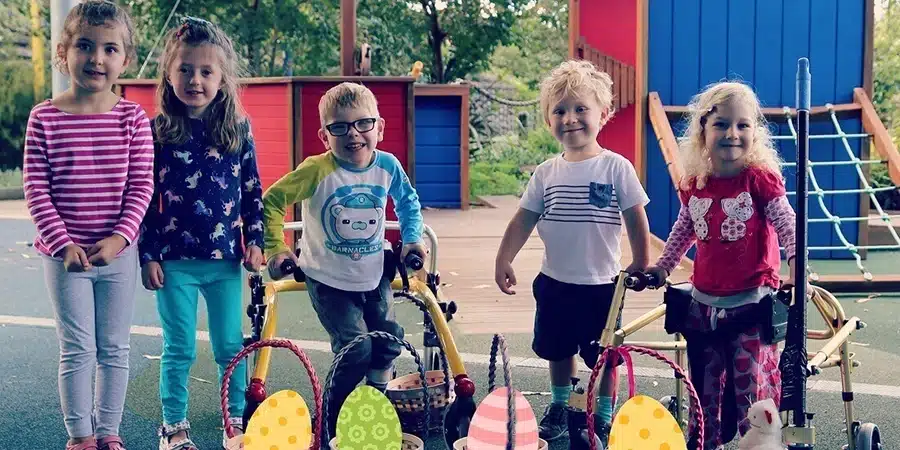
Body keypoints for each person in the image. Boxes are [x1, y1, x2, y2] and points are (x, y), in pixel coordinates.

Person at [494, 60, 651, 444]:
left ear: (603, 114)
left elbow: (636, 218)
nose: (571, 118)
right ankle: (561, 405)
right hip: (555, 283)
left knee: (605, 357)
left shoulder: (616, 168)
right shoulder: (546, 173)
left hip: (602, 287)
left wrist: (641, 262)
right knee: (557, 349)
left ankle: (603, 414)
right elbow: (522, 220)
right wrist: (504, 258)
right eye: (560, 111)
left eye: (581, 108)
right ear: (549, 121)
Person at [262, 82, 427, 439]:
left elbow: (409, 201)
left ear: (379, 128)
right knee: (357, 347)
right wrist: (276, 247)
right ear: (325, 135)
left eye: (363, 123)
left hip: (373, 272)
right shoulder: (316, 170)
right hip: (328, 277)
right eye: (340, 127)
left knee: (387, 341)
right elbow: (272, 200)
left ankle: (374, 404)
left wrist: (412, 237)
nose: (353, 134)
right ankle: (333, 423)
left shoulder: (386, 165)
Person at [22, 2, 153, 449]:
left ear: (125, 59)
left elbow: (141, 186)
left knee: (114, 348)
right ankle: (80, 437)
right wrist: (63, 245)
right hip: (65, 258)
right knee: (78, 348)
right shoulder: (44, 118)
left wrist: (119, 239)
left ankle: (108, 433)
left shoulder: (133, 118)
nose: (97, 58)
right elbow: (36, 189)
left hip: (118, 254)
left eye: (109, 48)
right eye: (85, 45)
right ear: (63, 52)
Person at [645, 81, 798, 449]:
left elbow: (786, 223)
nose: (732, 133)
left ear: (755, 133)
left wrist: (796, 267)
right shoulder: (697, 183)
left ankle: (758, 443)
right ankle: (706, 440)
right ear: (703, 131)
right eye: (721, 124)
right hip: (705, 304)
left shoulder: (759, 180)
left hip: (751, 301)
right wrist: (663, 267)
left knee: (751, 388)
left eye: (743, 125)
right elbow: (684, 229)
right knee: (705, 386)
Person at [137, 17, 264, 450]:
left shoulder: (237, 128)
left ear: (222, 77)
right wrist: (148, 254)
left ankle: (234, 421)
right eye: (185, 70)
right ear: (169, 75)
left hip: (225, 261)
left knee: (231, 344)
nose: (195, 80)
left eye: (206, 71)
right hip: (174, 264)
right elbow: (145, 198)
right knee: (179, 348)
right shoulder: (157, 132)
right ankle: (174, 426)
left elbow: (252, 190)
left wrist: (257, 241)